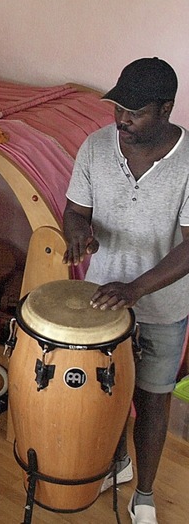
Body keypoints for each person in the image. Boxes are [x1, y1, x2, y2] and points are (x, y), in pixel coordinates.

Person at [63, 57, 189, 524]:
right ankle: (117, 465)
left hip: (162, 306)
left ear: (166, 109)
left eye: (135, 112)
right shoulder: (96, 148)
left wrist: (135, 289)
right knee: (108, 391)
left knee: (154, 399)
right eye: (118, 108)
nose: (122, 120)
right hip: (104, 302)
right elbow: (75, 210)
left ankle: (146, 495)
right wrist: (77, 231)